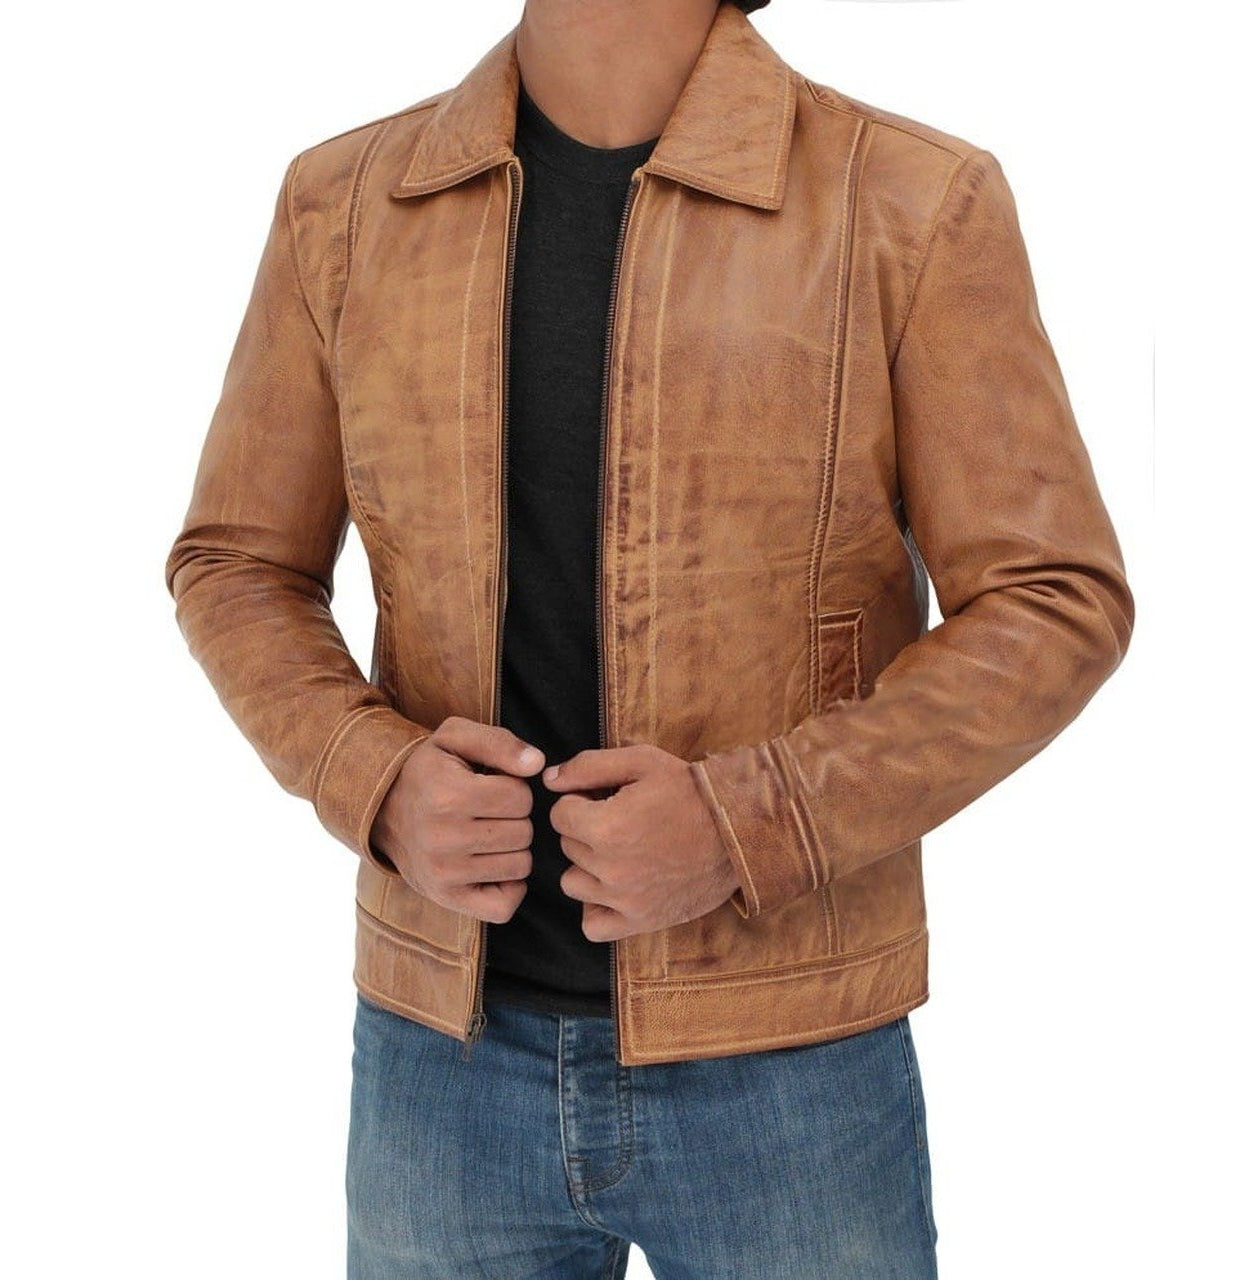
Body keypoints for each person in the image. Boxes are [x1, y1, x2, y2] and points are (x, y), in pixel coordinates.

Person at [163, 0, 1136, 1274]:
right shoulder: (343, 204)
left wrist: (748, 820)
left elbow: (1052, 597)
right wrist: (374, 777)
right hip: (440, 1061)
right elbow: (236, 562)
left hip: (788, 1062)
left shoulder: (905, 201)